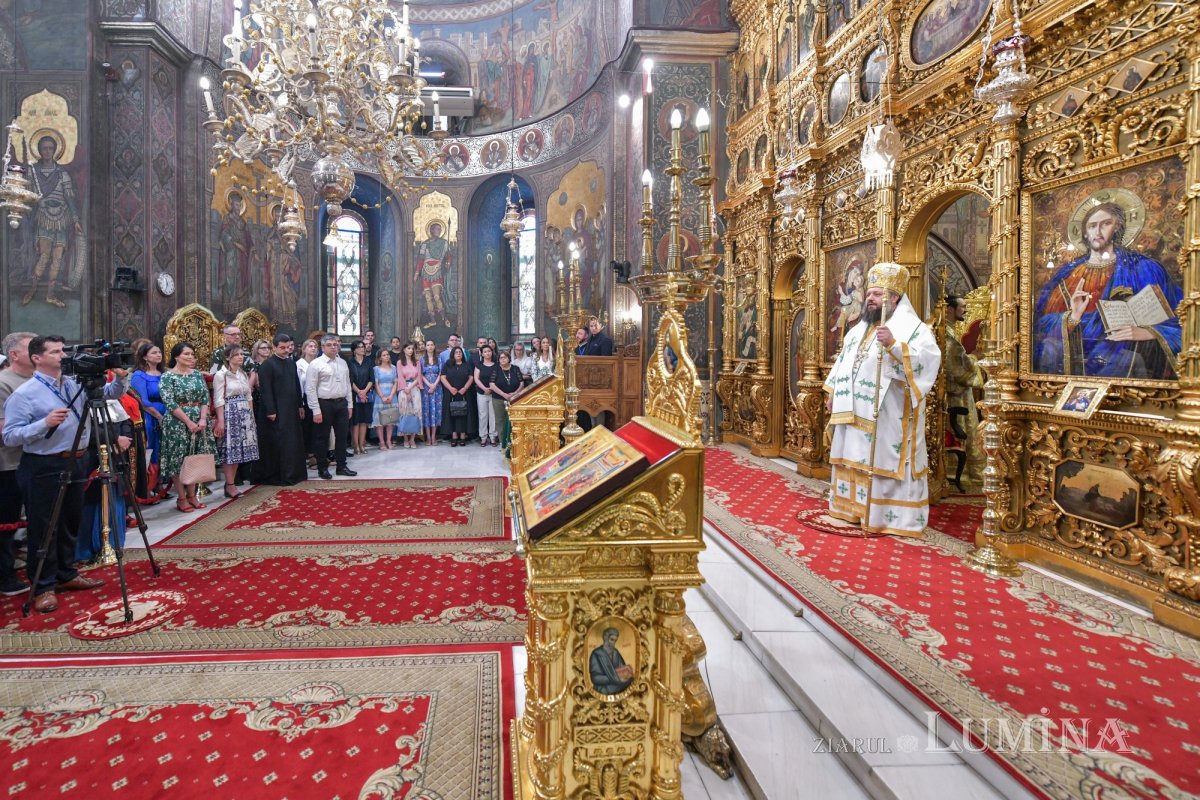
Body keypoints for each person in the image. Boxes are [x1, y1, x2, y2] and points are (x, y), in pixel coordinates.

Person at [3, 336, 130, 613]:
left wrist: (120, 378)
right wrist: (43, 424)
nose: (63, 355)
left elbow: (109, 394)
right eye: (55, 352)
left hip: (76, 460)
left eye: (63, 350)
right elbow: (10, 436)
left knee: (70, 520)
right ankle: (43, 586)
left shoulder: (73, 384)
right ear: (37, 358)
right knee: (45, 527)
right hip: (44, 464)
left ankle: (66, 573)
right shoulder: (25, 394)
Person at [823, 263, 941, 537]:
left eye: (877, 294)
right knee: (852, 454)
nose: (870, 299)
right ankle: (851, 508)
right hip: (852, 412)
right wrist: (833, 393)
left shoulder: (914, 329)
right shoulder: (859, 329)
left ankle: (886, 517)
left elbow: (928, 362)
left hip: (889, 414)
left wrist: (894, 345)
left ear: (895, 298)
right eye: (869, 294)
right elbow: (843, 362)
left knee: (881, 457)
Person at [1033, 201, 1182, 380]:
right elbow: (1041, 326)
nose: (1097, 232)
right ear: (1085, 232)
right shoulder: (1068, 275)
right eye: (1092, 226)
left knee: (1124, 360)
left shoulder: (1144, 268)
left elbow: (1181, 318)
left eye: (1106, 224)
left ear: (1117, 227)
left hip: (1122, 354)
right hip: (1075, 356)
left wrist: (1149, 332)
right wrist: (1073, 317)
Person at [74, 380, 134, 564]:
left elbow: (125, 420)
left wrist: (124, 438)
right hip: (92, 454)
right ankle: (89, 547)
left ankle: (114, 544)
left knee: (115, 495)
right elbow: (83, 430)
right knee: (92, 499)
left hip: (116, 453)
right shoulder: (77, 395)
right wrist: (115, 440)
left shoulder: (109, 395)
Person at [22, 135, 82, 309]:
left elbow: (69, 198)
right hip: (44, 218)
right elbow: (28, 196)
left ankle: (50, 295)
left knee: (57, 259)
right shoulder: (33, 172)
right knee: (44, 256)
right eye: (44, 148)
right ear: (40, 150)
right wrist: (36, 201)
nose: (47, 151)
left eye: (50, 148)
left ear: (55, 150)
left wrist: (75, 220)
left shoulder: (62, 174)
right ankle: (32, 290)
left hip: (61, 219)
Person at [160, 342, 218, 514]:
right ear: (176, 356)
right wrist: (188, 422)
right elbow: (169, 402)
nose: (190, 357)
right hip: (177, 423)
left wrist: (203, 418)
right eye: (186, 354)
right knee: (179, 459)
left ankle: (192, 495)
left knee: (194, 458)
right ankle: (181, 498)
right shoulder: (168, 377)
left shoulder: (197, 375)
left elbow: (205, 398)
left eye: (192, 354)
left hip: (199, 420)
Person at [0, 331, 35, 596]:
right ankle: (5, 576)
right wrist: (45, 426)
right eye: (31, 348)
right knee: (7, 521)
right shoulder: (4, 383)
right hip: (9, 464)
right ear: (14, 354)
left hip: (36, 460)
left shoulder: (39, 379)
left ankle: (37, 566)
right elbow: (4, 430)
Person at [944, 295, 984, 491]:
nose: (966, 310)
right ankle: (963, 474)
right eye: (963, 306)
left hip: (957, 393)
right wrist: (974, 359)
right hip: (955, 396)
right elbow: (957, 369)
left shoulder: (949, 332)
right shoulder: (947, 337)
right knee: (963, 431)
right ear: (950, 309)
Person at [255, 334, 307, 486]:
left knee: (292, 441)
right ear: (274, 347)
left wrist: (300, 405)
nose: (286, 350)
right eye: (282, 348)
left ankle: (294, 473)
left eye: (288, 347)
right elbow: (265, 390)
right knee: (280, 442)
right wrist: (270, 410)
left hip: (291, 408)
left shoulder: (291, 363)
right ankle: (280, 475)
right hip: (276, 410)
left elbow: (296, 385)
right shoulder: (267, 365)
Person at [306, 335, 357, 479]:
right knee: (322, 438)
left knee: (342, 436)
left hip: (341, 403)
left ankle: (341, 466)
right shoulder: (316, 364)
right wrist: (315, 410)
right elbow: (310, 389)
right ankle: (322, 468)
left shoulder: (342, 362)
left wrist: (350, 405)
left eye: (335, 344)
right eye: (329, 345)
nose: (333, 347)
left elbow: (347, 384)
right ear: (322, 347)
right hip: (324, 404)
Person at [213, 345, 258, 499]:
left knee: (239, 450)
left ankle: (230, 484)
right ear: (228, 357)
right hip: (230, 412)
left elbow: (249, 396)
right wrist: (221, 420)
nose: (240, 357)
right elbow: (218, 399)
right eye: (236, 355)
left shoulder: (242, 374)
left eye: (241, 354)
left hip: (244, 412)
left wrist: (251, 416)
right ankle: (230, 484)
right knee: (230, 450)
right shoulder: (221, 375)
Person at [130, 342, 166, 477]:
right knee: (152, 447)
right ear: (145, 357)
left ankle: (163, 479)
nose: (158, 355)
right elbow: (143, 402)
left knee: (164, 448)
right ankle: (151, 481)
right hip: (150, 417)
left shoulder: (164, 374)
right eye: (154, 353)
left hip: (167, 413)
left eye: (159, 352)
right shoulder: (139, 375)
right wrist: (159, 417)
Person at [415, 222, 454, 328]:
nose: (439, 231)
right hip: (426, 273)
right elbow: (421, 259)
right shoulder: (425, 244)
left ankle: (443, 319)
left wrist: (448, 262)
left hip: (437, 272)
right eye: (437, 229)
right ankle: (433, 321)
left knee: (436, 297)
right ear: (431, 230)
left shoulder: (444, 243)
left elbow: (449, 255)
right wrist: (417, 272)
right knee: (428, 298)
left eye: (440, 229)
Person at [490, 349, 526, 453]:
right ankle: (503, 443)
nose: (503, 359)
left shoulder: (515, 368)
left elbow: (521, 383)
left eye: (505, 357)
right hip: (498, 399)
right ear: (498, 360)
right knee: (500, 420)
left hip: (515, 398)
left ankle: (514, 442)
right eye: (500, 358)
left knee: (513, 420)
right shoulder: (496, 369)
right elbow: (492, 384)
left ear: (509, 358)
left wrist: (515, 394)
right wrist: (504, 395)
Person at [440, 346, 474, 447]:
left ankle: (463, 436)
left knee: (463, 414)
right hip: (451, 393)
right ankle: (454, 436)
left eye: (460, 352)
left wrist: (465, 388)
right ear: (453, 354)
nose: (458, 354)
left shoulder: (466, 365)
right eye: (456, 352)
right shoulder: (448, 364)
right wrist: (450, 388)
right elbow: (442, 377)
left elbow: (471, 377)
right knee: (451, 414)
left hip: (464, 393)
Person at [346, 339, 374, 454]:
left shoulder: (369, 361)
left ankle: (362, 445)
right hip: (354, 394)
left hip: (366, 394)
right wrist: (359, 392)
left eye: (363, 347)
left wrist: (364, 392)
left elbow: (372, 379)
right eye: (359, 347)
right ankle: (356, 445)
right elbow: (350, 379)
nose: (362, 349)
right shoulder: (350, 362)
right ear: (354, 350)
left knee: (364, 421)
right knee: (355, 421)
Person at [296, 338, 320, 466]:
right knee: (307, 427)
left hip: (318, 397)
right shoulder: (299, 364)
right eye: (310, 346)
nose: (313, 348)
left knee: (317, 427)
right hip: (305, 398)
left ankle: (317, 453)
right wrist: (300, 403)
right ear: (304, 349)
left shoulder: (318, 363)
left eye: (315, 346)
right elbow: (298, 384)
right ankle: (309, 454)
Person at [395, 341, 423, 449]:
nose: (411, 350)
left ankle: (412, 438)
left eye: (412, 349)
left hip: (414, 389)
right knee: (404, 413)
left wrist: (411, 388)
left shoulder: (417, 362)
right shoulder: (399, 363)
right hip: (404, 389)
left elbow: (418, 377)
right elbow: (400, 376)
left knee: (416, 412)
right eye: (409, 348)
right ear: (404, 350)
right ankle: (405, 439)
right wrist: (406, 390)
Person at [589, 627, 633, 694]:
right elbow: (595, 678)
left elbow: (622, 669)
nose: (613, 643)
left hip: (618, 686)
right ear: (605, 638)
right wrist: (615, 678)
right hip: (604, 688)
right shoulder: (597, 654)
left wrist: (627, 672)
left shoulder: (615, 653)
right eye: (612, 639)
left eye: (615, 640)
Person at [372, 349, 398, 450]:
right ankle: (382, 442)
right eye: (384, 355)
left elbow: (395, 382)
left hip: (392, 395)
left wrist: (391, 395)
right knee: (380, 421)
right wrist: (382, 396)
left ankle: (388, 440)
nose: (387, 356)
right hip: (380, 396)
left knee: (390, 420)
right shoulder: (376, 369)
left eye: (387, 354)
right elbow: (376, 384)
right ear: (380, 358)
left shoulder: (393, 367)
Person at [474, 344, 499, 447]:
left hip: (494, 393)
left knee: (493, 416)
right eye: (485, 352)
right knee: (483, 415)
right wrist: (484, 388)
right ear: (482, 354)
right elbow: (476, 378)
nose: (487, 353)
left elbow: (498, 378)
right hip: (482, 393)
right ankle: (483, 437)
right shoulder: (479, 365)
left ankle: (493, 437)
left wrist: (492, 389)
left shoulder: (496, 365)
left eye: (489, 351)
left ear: (492, 352)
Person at [420, 339, 443, 447]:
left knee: (436, 411)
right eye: (428, 345)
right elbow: (420, 374)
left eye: (432, 345)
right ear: (425, 347)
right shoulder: (421, 359)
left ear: (434, 346)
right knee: (426, 412)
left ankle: (434, 437)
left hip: (437, 388)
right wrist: (429, 385)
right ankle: (428, 437)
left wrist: (434, 385)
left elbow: (441, 373)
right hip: (426, 389)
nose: (430, 346)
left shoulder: (439, 359)